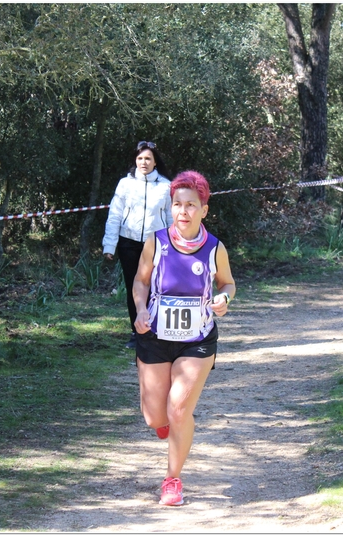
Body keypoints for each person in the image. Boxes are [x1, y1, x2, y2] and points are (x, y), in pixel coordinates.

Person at [132, 170, 236, 506]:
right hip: (155, 335)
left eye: (191, 205)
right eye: (178, 204)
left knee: (178, 410)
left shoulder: (214, 248)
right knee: (155, 417)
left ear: (204, 209)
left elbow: (228, 283)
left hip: (198, 340)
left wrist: (224, 300)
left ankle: (172, 480)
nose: (184, 211)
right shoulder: (156, 242)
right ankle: (166, 427)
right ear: (171, 207)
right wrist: (141, 310)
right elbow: (140, 281)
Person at [103, 141, 173, 349]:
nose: (144, 162)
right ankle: (138, 332)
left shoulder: (166, 186)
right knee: (135, 289)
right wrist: (109, 246)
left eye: (148, 158)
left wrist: (174, 247)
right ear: (135, 160)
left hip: (156, 244)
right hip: (129, 243)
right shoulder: (125, 184)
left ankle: (156, 330)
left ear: (155, 162)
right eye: (140, 158)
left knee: (155, 288)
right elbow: (114, 215)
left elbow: (171, 219)